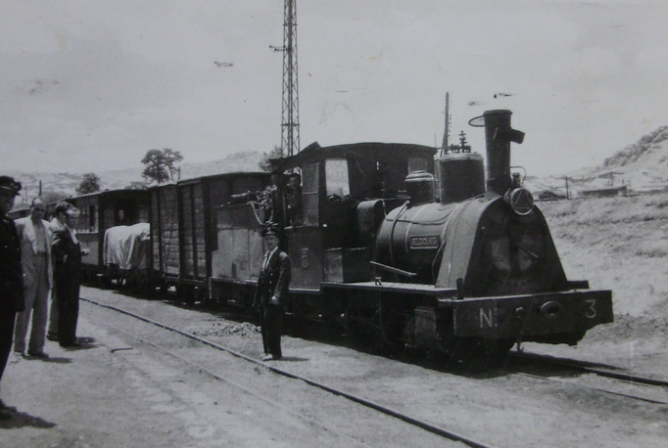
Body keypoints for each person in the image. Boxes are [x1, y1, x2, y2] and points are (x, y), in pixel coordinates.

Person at [13, 197, 52, 358]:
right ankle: (18, 348)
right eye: (36, 209)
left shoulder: (48, 227)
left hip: (44, 268)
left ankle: (36, 347)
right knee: (24, 311)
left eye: (42, 210)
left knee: (42, 312)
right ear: (30, 208)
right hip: (28, 269)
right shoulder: (20, 225)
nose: (39, 213)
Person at [0, 176, 24, 419]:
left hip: (6, 298)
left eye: (10, 197)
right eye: (3, 196)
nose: (8, 201)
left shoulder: (7, 223)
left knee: (3, 347)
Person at [253, 225, 291, 361]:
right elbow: (262, 278)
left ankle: (275, 353)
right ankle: (267, 350)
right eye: (267, 239)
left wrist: (277, 295)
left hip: (274, 296)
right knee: (265, 324)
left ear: (277, 241)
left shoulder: (282, 257)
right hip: (265, 296)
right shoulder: (267, 256)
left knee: (273, 325)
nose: (269, 241)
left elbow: (283, 278)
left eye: (272, 239)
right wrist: (257, 297)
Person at [51, 202, 85, 348]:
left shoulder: (72, 233)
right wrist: (63, 257)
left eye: (76, 219)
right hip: (65, 277)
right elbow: (54, 246)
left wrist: (79, 253)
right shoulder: (62, 231)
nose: (74, 221)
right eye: (71, 218)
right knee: (66, 308)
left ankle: (70, 337)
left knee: (72, 307)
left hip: (73, 277)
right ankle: (66, 339)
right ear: (65, 218)